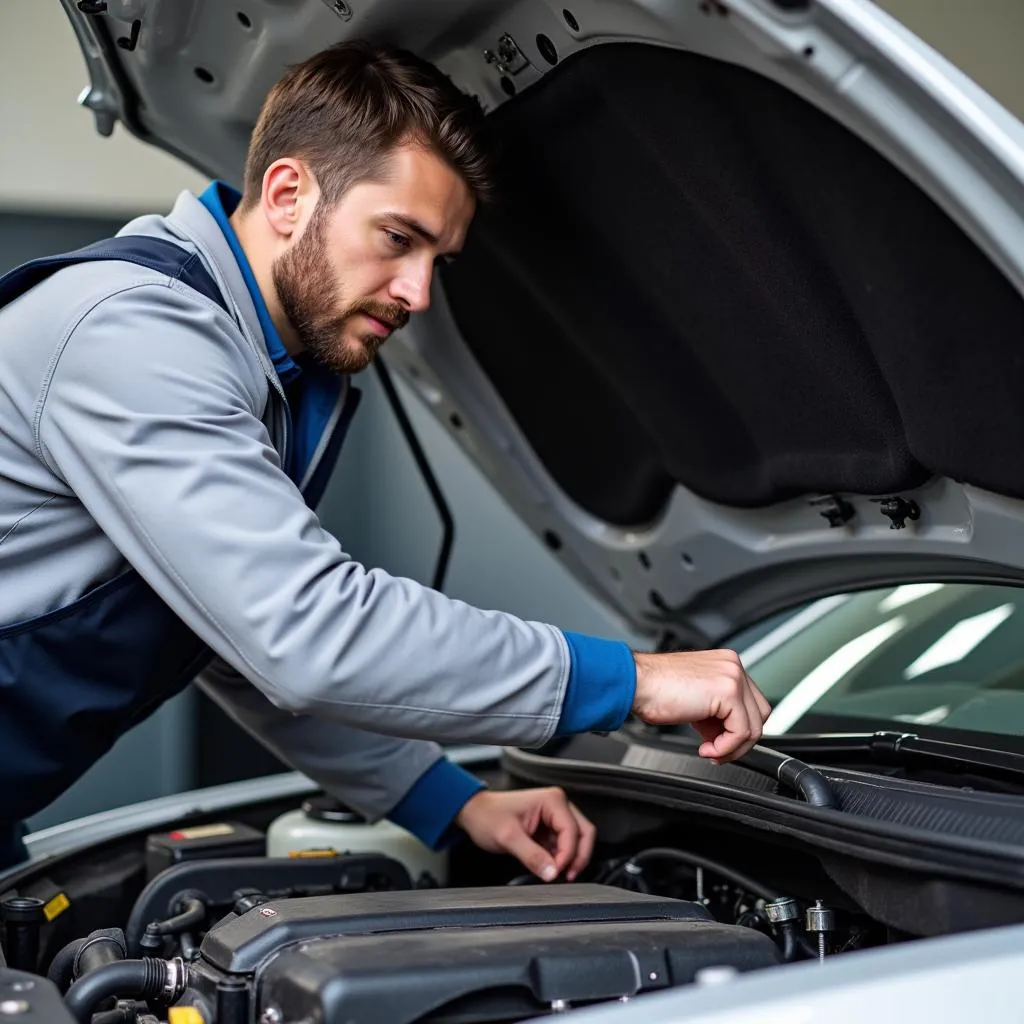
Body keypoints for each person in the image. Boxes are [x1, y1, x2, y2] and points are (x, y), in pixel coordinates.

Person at [0, 41, 770, 875]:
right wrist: (634, 680)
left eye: (437, 259)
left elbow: (227, 635)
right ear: (289, 194)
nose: (418, 293)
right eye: (397, 238)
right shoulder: (134, 331)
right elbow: (304, 631)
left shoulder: (261, 369)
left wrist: (450, 799)